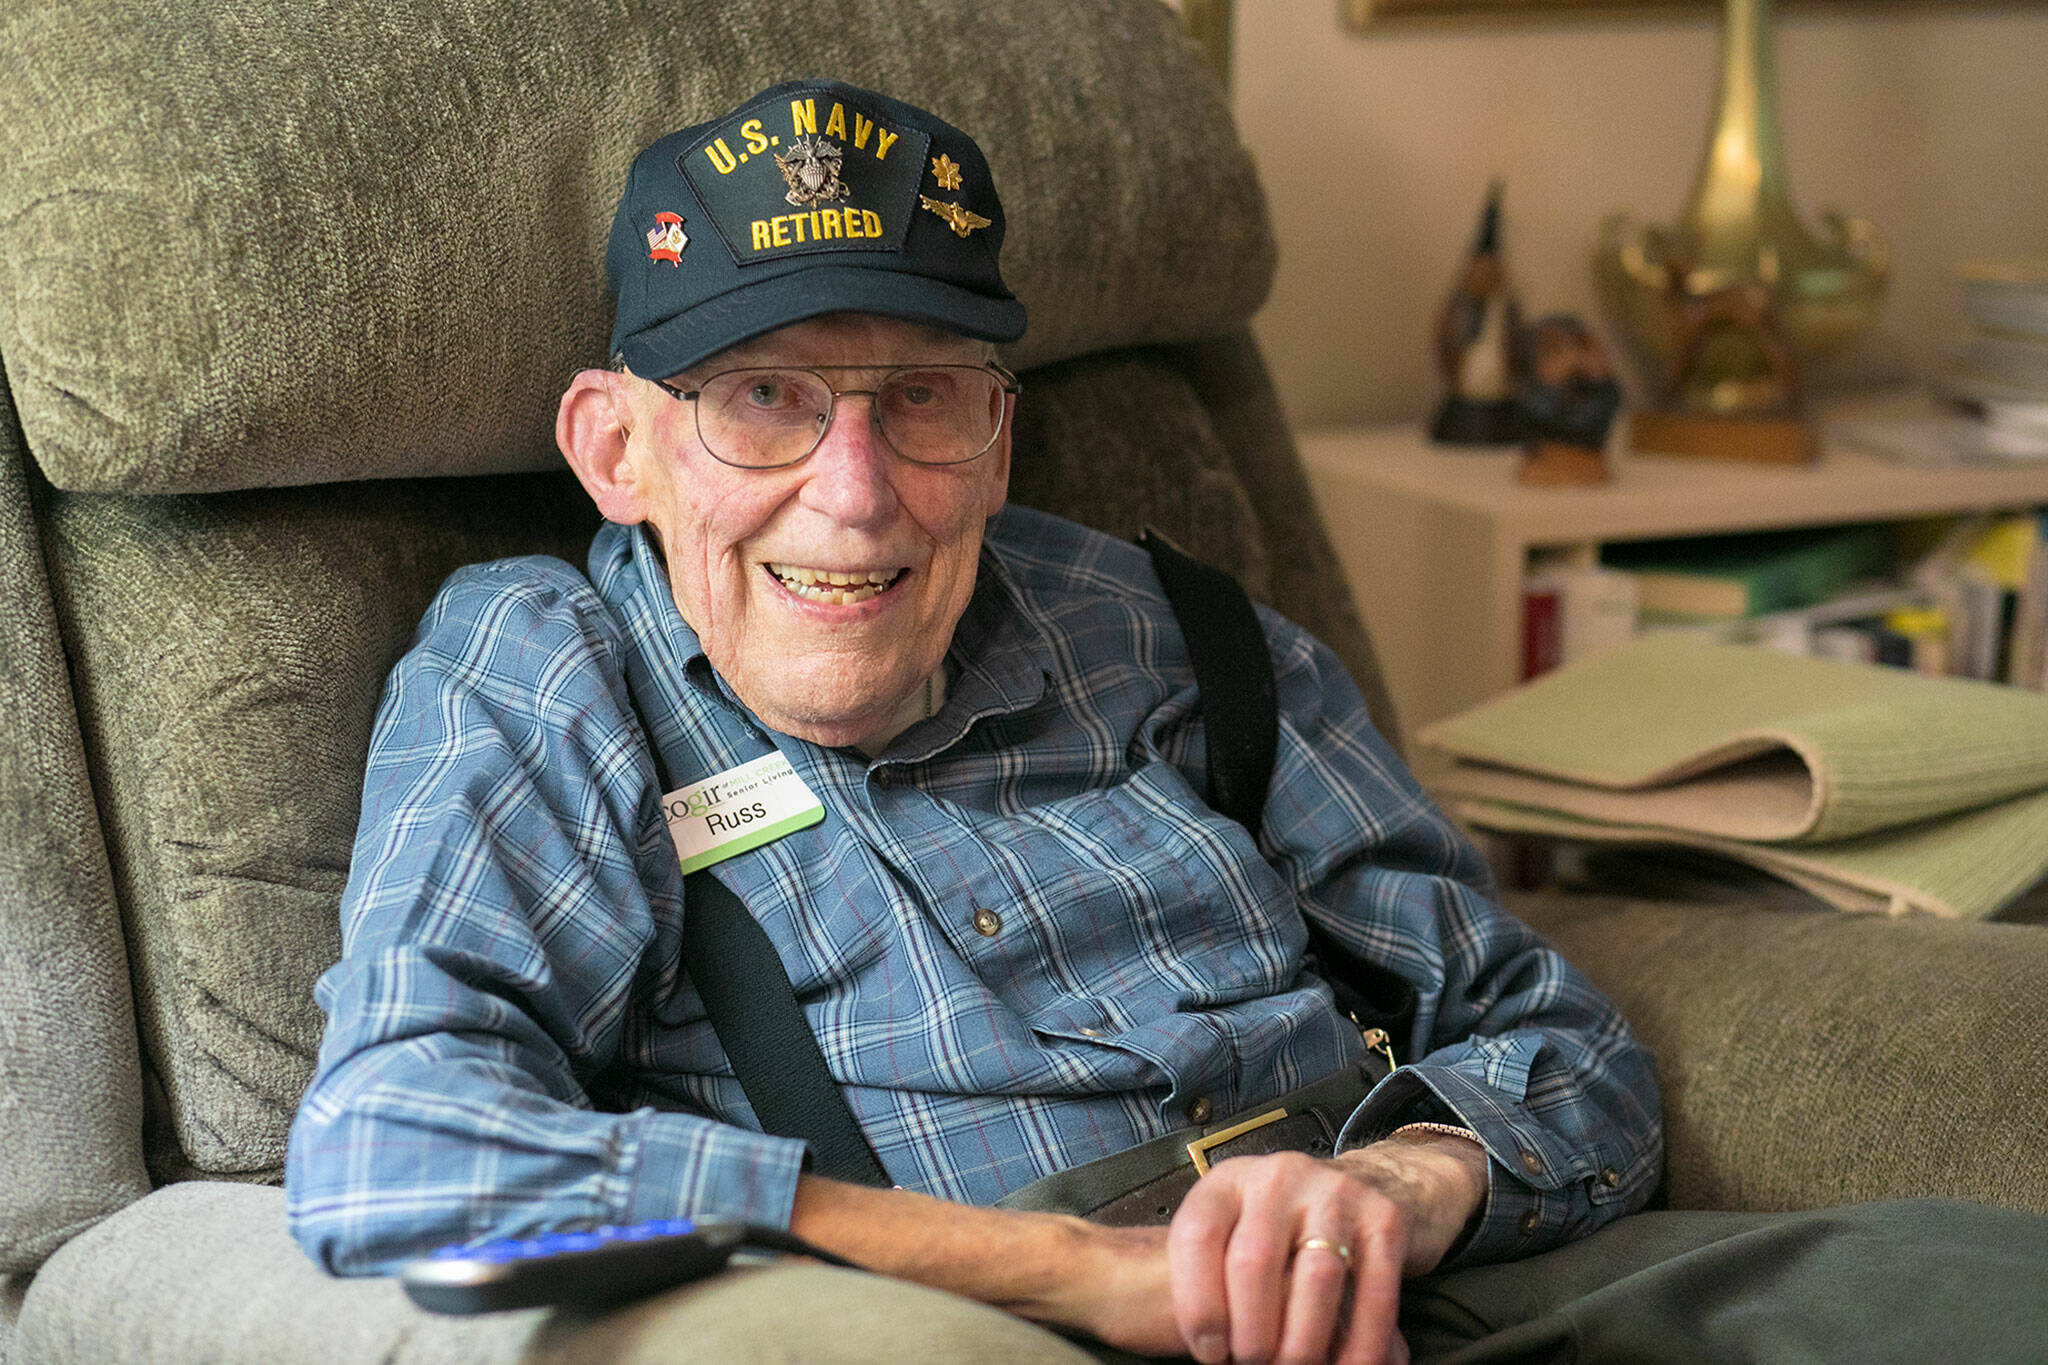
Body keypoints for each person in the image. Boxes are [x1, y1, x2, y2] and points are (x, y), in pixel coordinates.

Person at [287, 81, 2046, 1365]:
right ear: (618, 445)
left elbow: (1548, 1032)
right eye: (764, 400)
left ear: (1003, 430)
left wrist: (1412, 1185)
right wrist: (1060, 1273)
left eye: (924, 403)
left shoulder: (1175, 626)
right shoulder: (545, 667)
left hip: (1415, 1285)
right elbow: (391, 1147)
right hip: (1001, 1330)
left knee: (1981, 1288)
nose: (859, 494)